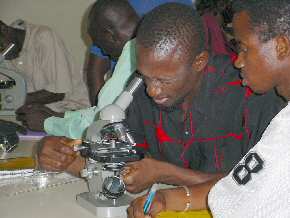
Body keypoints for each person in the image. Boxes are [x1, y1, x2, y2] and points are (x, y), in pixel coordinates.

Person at [38, 2, 285, 194]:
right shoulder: (141, 95)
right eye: (146, 77)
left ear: (199, 62)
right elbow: (118, 166)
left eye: (163, 80)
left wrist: (165, 174)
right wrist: (59, 155)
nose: (152, 91)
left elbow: (257, 187)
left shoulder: (252, 92)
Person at [127, 0, 290, 217]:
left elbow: (244, 192)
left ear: (281, 47)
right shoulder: (284, 122)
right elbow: (242, 183)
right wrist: (168, 198)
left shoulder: (269, 111)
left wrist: (167, 178)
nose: (238, 61)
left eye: (243, 48)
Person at [87, 0, 193, 106]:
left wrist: (99, 114)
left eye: (101, 47)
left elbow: (105, 107)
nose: (103, 51)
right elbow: (95, 72)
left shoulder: (130, 57)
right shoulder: (119, 12)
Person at [0, 20, 90, 131]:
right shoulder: (5, 53)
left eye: (1, 46)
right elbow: (7, 90)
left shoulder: (43, 37)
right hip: (36, 120)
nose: (1, 52)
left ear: (4, 30)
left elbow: (58, 92)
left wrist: (10, 99)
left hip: (71, 116)